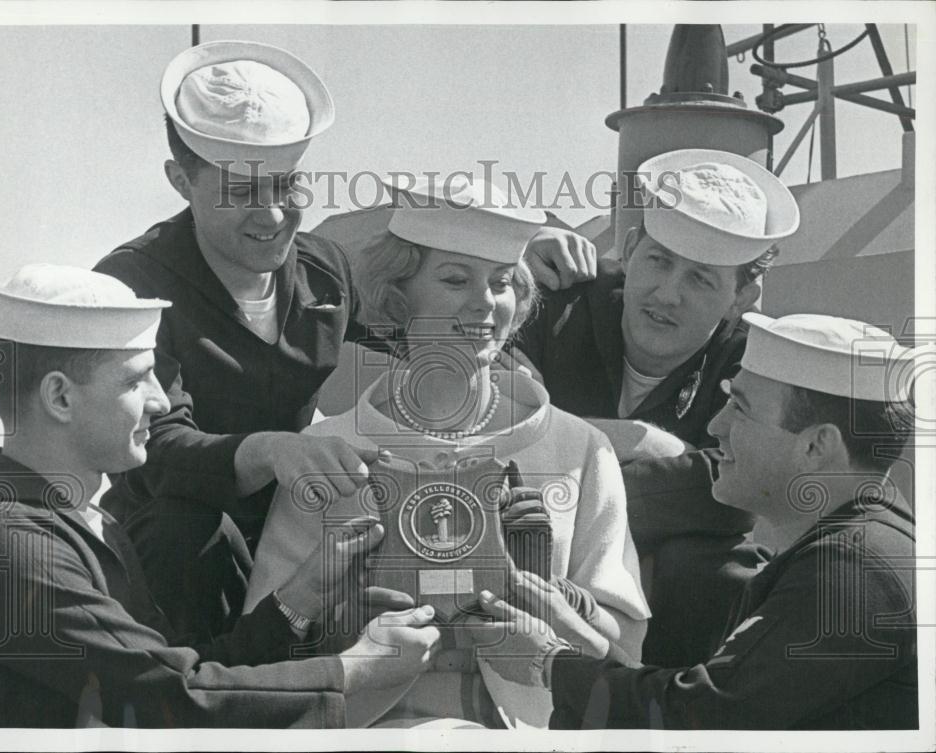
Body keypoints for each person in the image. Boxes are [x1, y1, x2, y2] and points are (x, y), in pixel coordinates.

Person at [93, 40, 598, 640]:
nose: (273, 215)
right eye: (242, 192)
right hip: (179, 562)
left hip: (303, 526)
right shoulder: (131, 285)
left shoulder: (323, 270)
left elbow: (423, 324)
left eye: (286, 186)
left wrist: (497, 245)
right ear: (180, 179)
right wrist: (274, 451)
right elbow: (156, 448)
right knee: (185, 529)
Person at [244, 175, 650, 729]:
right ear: (396, 294)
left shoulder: (578, 449)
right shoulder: (326, 452)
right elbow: (266, 644)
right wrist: (344, 621)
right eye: (456, 279)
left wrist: (552, 600)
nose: (484, 302)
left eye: (502, 282)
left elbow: (625, 650)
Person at [0, 264, 440, 728]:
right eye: (135, 381)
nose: (160, 401)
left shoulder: (83, 523)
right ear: (59, 397)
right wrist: (357, 668)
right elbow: (170, 698)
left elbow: (186, 669)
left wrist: (303, 596)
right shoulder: (10, 541)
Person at [477, 312, 918, 730]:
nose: (716, 426)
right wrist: (577, 629)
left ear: (816, 446)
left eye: (740, 408)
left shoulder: (854, 568)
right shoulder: (857, 552)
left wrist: (548, 664)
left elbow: (706, 716)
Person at [517, 149, 802, 666]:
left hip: (659, 592)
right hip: (524, 557)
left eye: (701, 278)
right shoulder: (555, 303)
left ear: (743, 296)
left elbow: (737, 493)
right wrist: (643, 443)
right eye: (658, 260)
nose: (667, 294)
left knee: (719, 571)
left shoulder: (754, 362)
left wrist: (569, 463)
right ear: (630, 249)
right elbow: (491, 426)